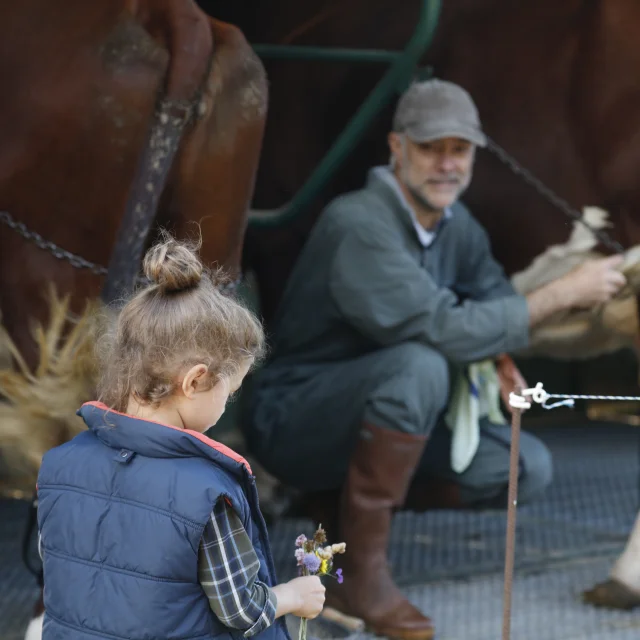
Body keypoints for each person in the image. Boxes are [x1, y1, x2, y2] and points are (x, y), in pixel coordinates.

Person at [243, 79, 627, 640]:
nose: (447, 164)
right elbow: (444, 330)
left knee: (521, 466)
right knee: (421, 364)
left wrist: (495, 352)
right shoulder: (360, 222)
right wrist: (566, 292)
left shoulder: (456, 226)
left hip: (381, 417)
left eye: (461, 149)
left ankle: (332, 511)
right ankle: (361, 578)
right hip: (295, 418)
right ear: (397, 149)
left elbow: (493, 297)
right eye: (431, 147)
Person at [35, 234, 325, 640]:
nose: (227, 404)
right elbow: (240, 611)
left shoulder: (58, 466)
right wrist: (294, 596)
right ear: (195, 381)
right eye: (230, 390)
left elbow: (64, 579)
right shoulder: (206, 494)